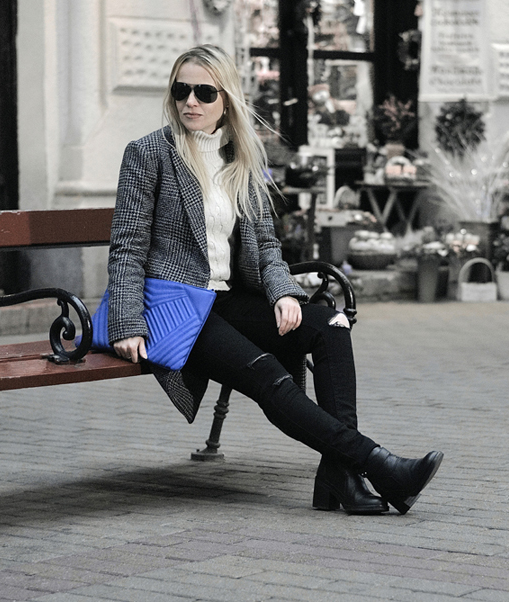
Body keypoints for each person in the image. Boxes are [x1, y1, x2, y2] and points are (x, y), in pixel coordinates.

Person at [106, 44, 442, 515]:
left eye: (204, 91)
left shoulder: (241, 159)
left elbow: (266, 248)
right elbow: (127, 246)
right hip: (178, 308)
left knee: (329, 326)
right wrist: (126, 322)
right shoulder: (149, 154)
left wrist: (284, 292)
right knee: (269, 374)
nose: (191, 102)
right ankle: (377, 465)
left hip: (228, 299)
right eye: (182, 90)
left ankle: (339, 478)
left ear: (227, 97)